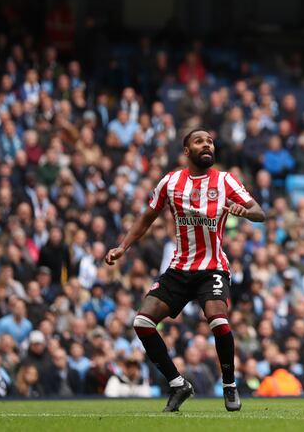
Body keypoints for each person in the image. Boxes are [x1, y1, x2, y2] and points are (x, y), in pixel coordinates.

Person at [105, 129, 265, 412]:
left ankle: (229, 385)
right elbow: (147, 217)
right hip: (180, 267)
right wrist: (123, 247)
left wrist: (245, 212)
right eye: (199, 141)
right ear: (187, 151)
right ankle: (178, 384)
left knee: (218, 320)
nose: (207, 145)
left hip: (213, 267)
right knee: (142, 322)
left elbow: (259, 212)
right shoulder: (170, 182)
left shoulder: (225, 180)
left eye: (210, 141)